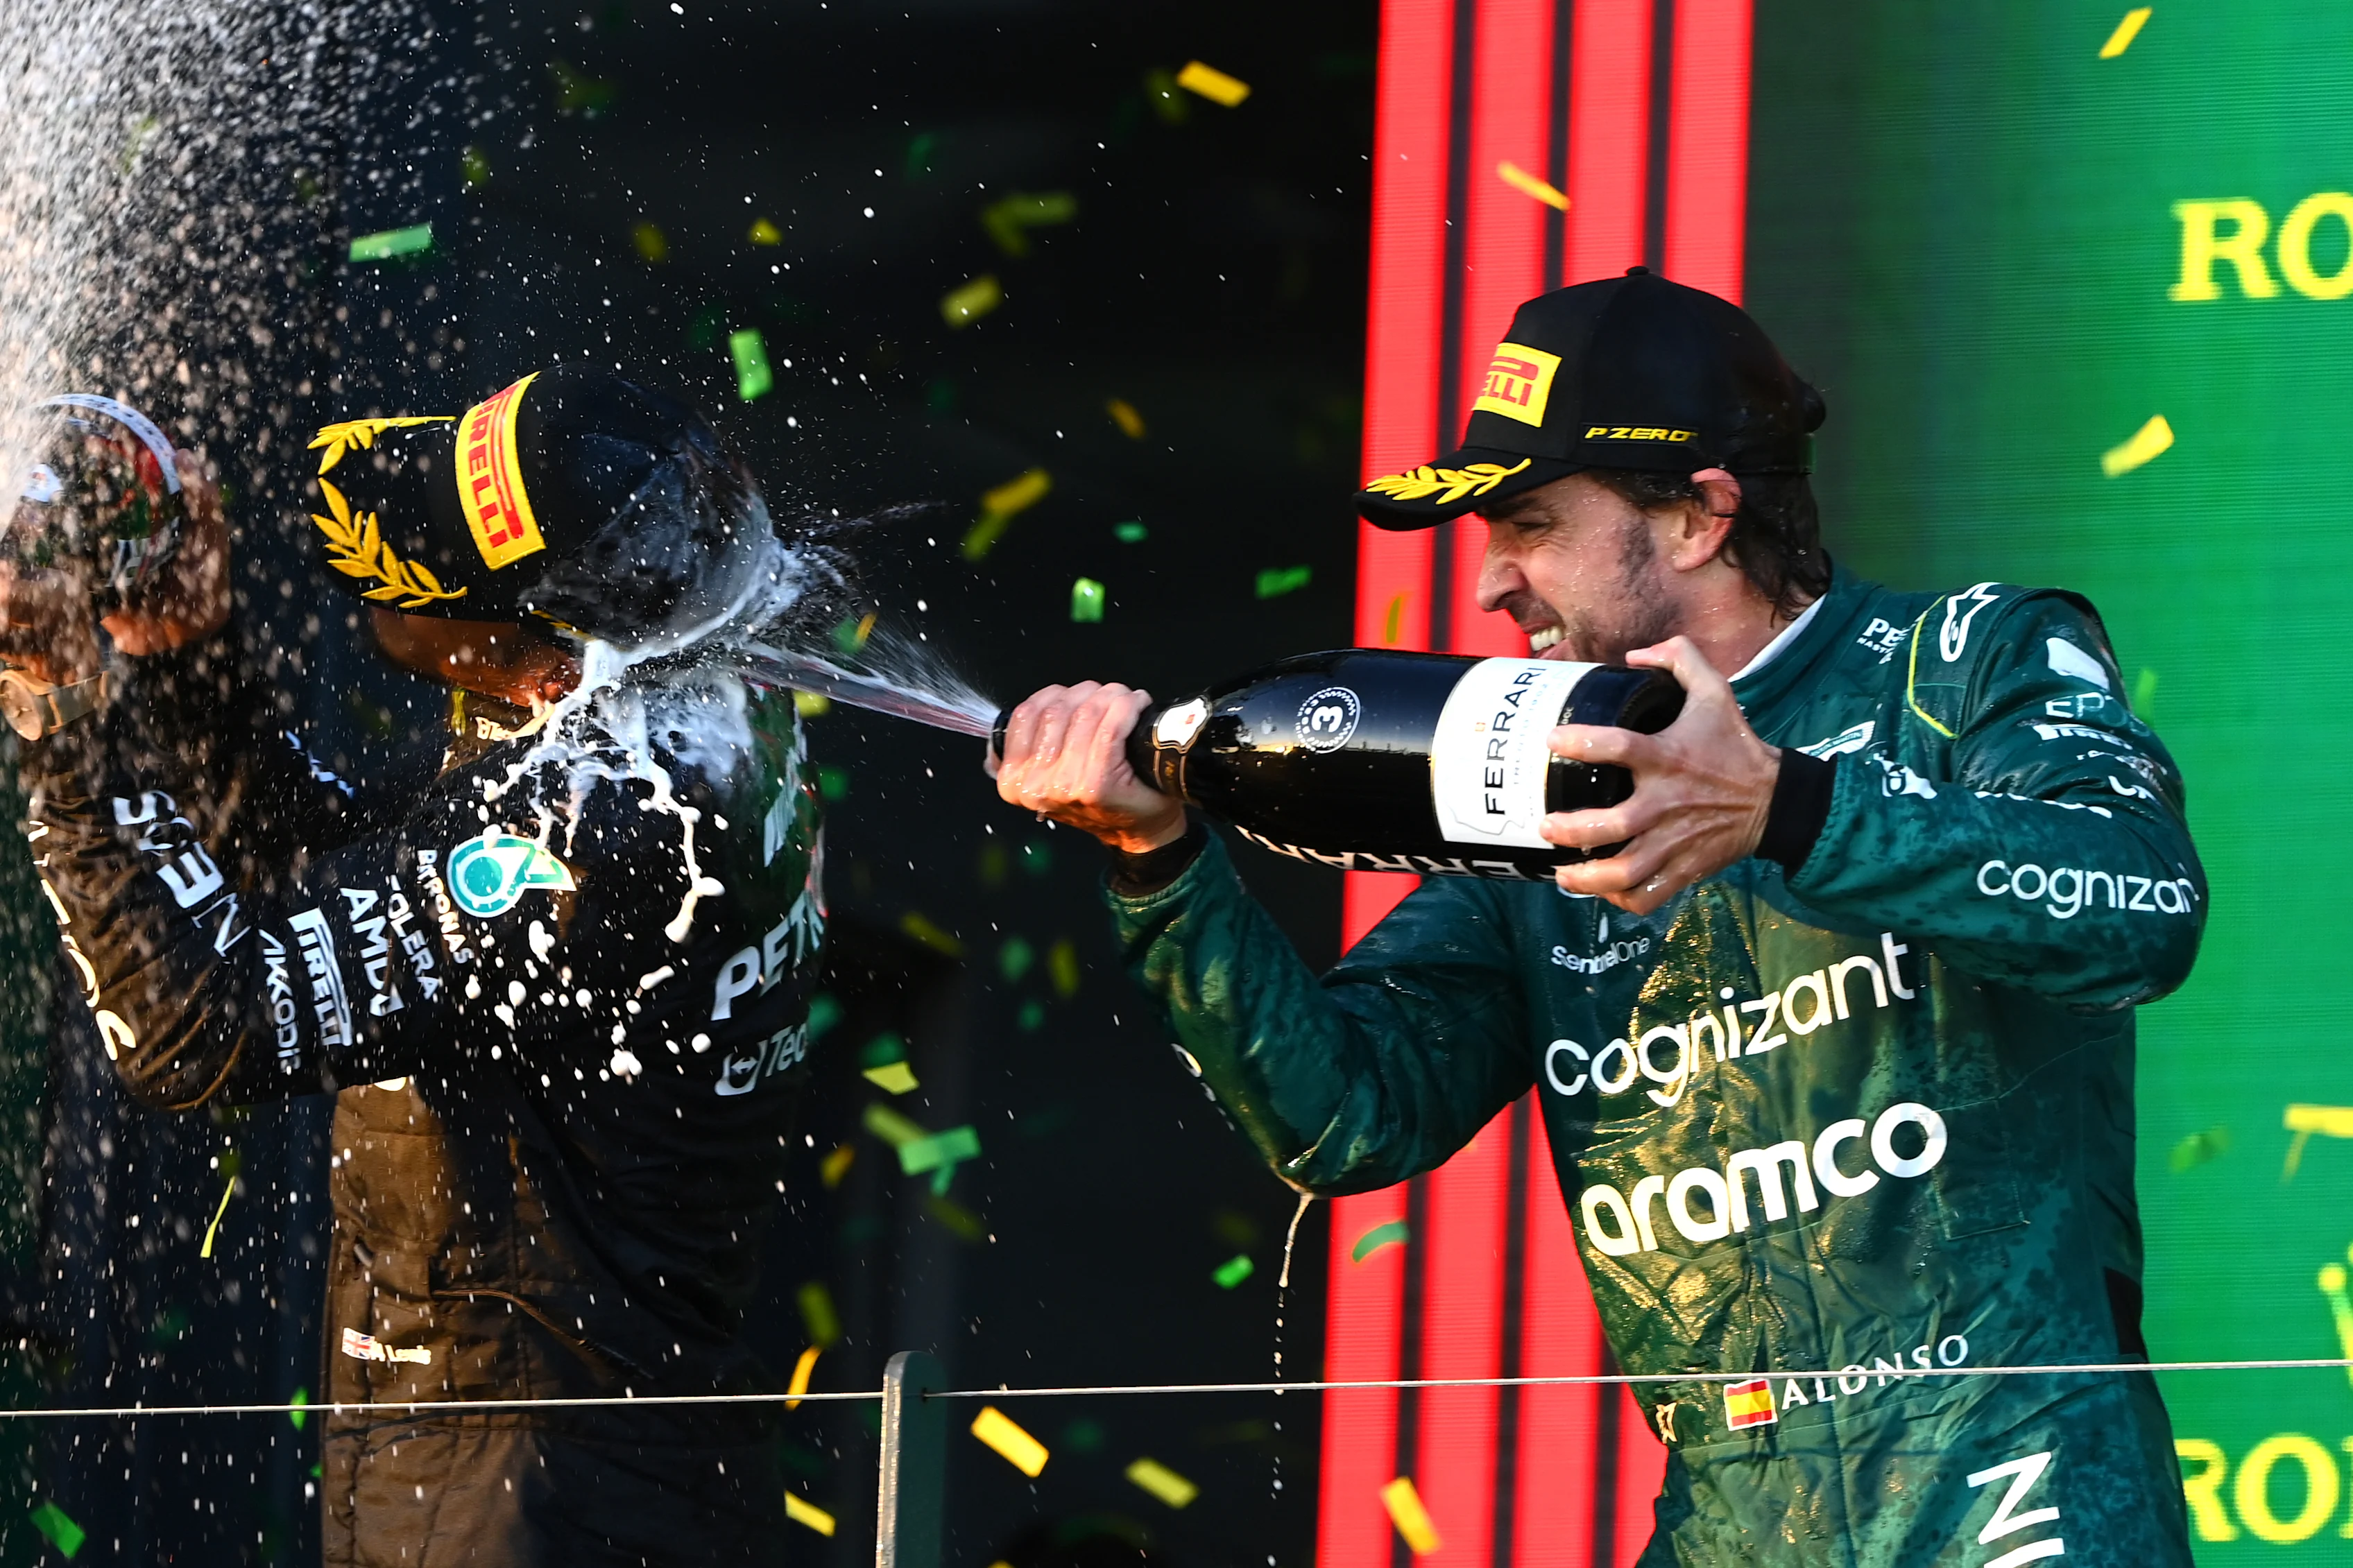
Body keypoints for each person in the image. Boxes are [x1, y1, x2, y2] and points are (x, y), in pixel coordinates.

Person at [993, 270, 2205, 1564]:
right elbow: (1348, 1117)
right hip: (1733, 1523)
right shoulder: (1535, 773)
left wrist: (1785, 809)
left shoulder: (1964, 660)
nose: (1490, 584)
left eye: (1529, 525)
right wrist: (1158, 859)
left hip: (2016, 1488)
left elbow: (2144, 906)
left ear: (1697, 516)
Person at [8, 368, 837, 1567]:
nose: (389, 560)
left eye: (438, 547)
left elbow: (199, 1029)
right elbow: (345, 874)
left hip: (536, 1497)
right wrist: (191, 662)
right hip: (564, 1460)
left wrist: (60, 710)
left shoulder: (602, 822)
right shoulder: (674, 710)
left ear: (532, 642)